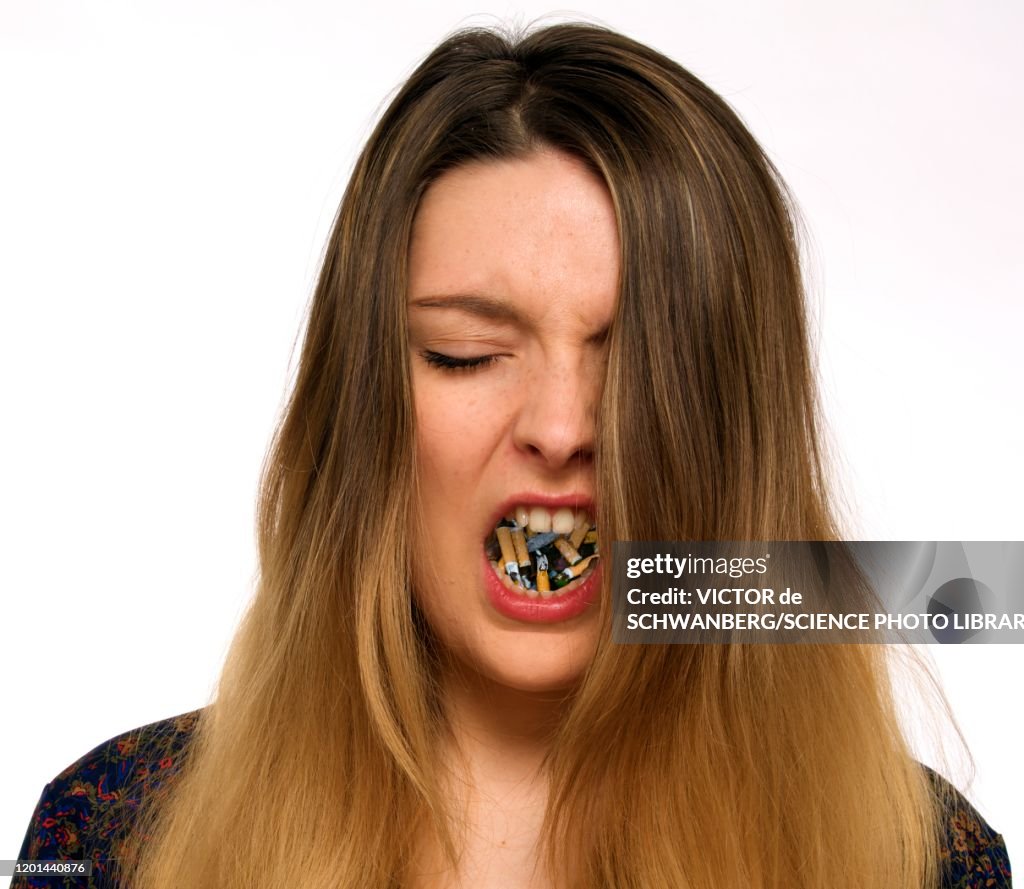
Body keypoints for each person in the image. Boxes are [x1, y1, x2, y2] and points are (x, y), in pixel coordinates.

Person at [12, 22, 1011, 889]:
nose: (563, 426)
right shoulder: (104, 836)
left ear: (729, 436)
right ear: (364, 415)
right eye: (469, 355)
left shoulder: (927, 863)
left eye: (640, 369)